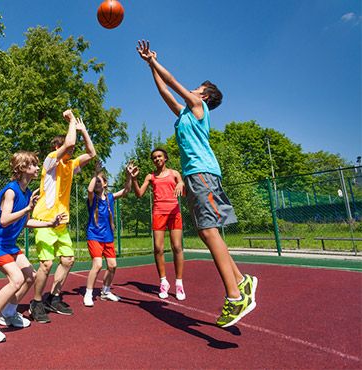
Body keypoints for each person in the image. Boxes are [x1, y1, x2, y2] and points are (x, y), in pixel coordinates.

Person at [136, 40, 258, 328]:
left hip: (202, 174)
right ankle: (242, 281)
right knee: (207, 233)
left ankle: (234, 297)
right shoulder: (184, 114)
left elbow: (174, 82)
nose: (191, 90)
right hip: (196, 176)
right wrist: (149, 66)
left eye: (196, 89)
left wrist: (154, 61)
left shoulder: (199, 107)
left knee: (208, 231)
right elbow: (165, 91)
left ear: (204, 95)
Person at [0, 151, 66, 343]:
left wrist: (50, 223)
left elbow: (25, 222)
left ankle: (8, 313)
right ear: (23, 167)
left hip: (8, 244)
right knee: (16, 279)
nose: (37, 168)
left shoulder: (26, 194)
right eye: (33, 164)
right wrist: (27, 209)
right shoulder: (11, 190)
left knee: (30, 276)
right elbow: (5, 219)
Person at [29, 109, 96, 323]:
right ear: (57, 148)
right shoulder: (50, 162)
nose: (72, 149)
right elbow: (69, 144)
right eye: (68, 147)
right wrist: (70, 122)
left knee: (68, 260)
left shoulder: (70, 166)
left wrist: (83, 131)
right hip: (44, 222)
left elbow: (91, 154)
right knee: (46, 264)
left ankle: (54, 297)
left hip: (61, 223)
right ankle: (36, 302)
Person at [129, 148, 187, 301]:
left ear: (165, 158)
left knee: (177, 247)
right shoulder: (150, 176)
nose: (157, 159)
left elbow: (181, 183)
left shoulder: (174, 173)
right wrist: (134, 179)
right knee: (158, 248)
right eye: (154, 158)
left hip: (174, 212)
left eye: (159, 156)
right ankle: (163, 282)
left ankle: (179, 283)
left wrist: (181, 182)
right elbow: (139, 194)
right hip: (158, 212)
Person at [83, 165, 132, 307]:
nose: (97, 183)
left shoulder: (110, 197)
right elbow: (89, 189)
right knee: (97, 265)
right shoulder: (92, 199)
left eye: (100, 181)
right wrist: (96, 175)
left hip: (108, 237)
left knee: (112, 266)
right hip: (94, 236)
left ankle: (105, 291)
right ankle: (88, 293)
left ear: (105, 184)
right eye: (95, 181)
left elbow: (127, 190)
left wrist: (128, 176)